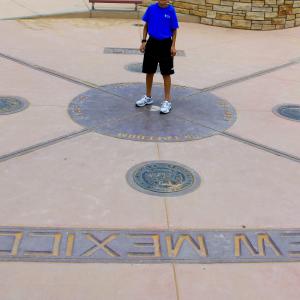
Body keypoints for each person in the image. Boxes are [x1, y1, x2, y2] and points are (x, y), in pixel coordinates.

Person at [135, 0, 179, 114]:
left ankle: (167, 101)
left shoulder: (171, 10)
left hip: (165, 44)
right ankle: (148, 97)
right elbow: (146, 26)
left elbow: (174, 30)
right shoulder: (151, 8)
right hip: (152, 43)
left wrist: (173, 46)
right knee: (149, 71)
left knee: (166, 73)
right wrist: (144, 41)